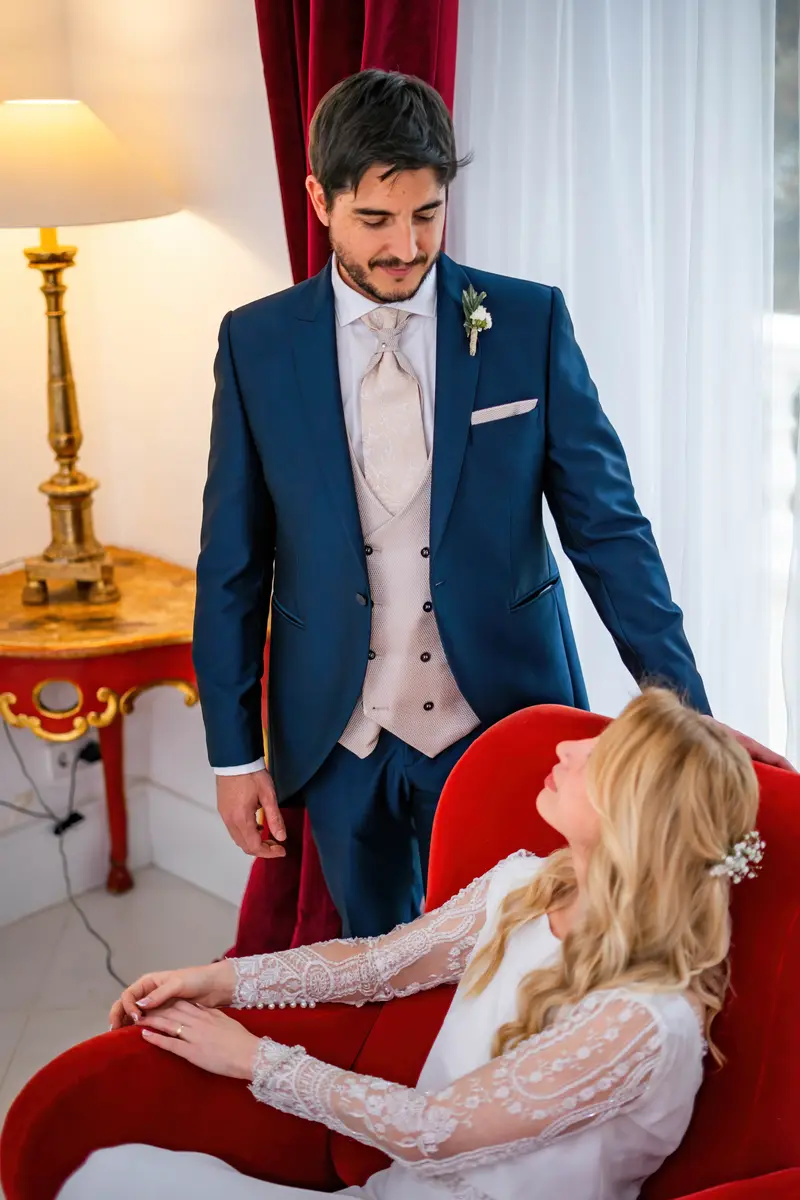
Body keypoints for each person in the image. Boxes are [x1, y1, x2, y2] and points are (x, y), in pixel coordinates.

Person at [193, 67, 785, 943]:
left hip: (503, 718)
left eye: (427, 214)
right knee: (376, 962)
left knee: (518, 955)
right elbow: (233, 565)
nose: (405, 246)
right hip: (339, 732)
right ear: (319, 199)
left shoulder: (525, 320)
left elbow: (608, 529)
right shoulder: (256, 342)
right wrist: (235, 753)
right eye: (375, 220)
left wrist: (684, 706)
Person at [63, 689, 763, 1200]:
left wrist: (251, 1058)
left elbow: (433, 1129)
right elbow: (376, 966)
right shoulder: (525, 886)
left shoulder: (643, 1018)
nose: (568, 746)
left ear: (636, 818)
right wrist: (219, 981)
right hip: (402, 1191)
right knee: (111, 1175)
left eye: (600, 753)